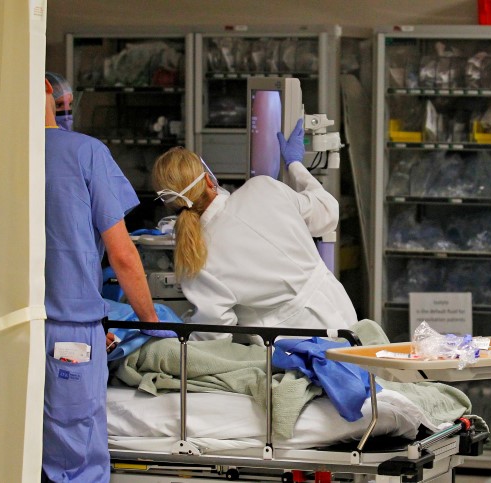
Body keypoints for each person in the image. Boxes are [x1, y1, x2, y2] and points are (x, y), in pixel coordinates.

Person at [43, 72, 158, 482]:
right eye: (63, 106)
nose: (68, 114)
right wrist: (149, 321)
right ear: (42, 88)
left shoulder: (4, 153)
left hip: (13, 326)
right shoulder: (85, 152)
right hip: (70, 332)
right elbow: (123, 255)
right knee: (74, 455)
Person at [151, 119, 358, 336]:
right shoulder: (264, 188)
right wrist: (295, 165)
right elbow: (326, 212)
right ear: (209, 180)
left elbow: (214, 334)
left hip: (289, 346)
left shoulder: (195, 257)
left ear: (169, 205)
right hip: (341, 317)